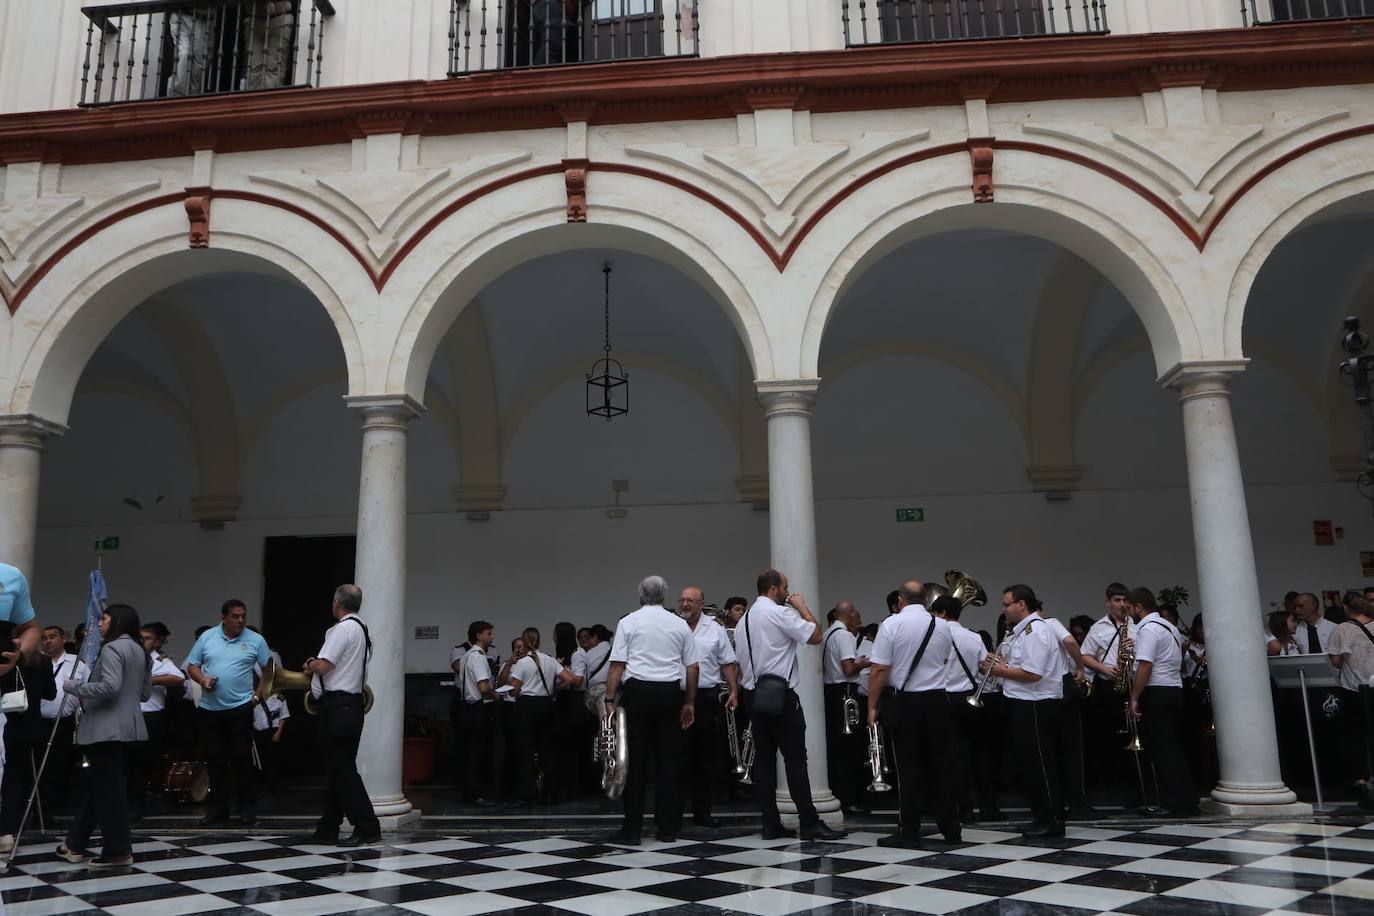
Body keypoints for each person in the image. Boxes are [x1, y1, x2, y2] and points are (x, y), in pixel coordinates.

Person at [736, 569, 846, 841]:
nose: (788, 592)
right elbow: (816, 635)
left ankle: (770, 823)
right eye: (785, 587)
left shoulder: (743, 620)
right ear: (773, 589)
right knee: (796, 759)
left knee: (763, 762)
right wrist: (803, 608)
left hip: (753, 694)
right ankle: (809, 822)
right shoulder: (779, 613)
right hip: (780, 697)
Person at [602, 575, 697, 844]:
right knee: (668, 762)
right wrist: (689, 702)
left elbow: (617, 665)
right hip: (669, 693)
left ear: (641, 595)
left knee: (634, 762)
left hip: (638, 693)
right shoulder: (679, 624)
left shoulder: (629, 622)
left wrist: (610, 700)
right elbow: (692, 667)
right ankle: (667, 829)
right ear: (665, 596)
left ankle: (631, 830)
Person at [55, 603, 151, 868]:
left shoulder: (112, 649)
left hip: (105, 729)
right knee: (102, 788)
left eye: (104, 619)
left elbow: (110, 686)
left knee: (109, 793)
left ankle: (118, 851)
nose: (99, 624)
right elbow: (144, 693)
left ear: (117, 621)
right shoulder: (140, 651)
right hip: (130, 728)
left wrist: (75, 686)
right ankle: (74, 844)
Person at [866, 581, 957, 847]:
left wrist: (872, 706)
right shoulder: (941, 625)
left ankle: (909, 830)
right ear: (926, 600)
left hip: (906, 702)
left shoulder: (891, 624)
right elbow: (944, 660)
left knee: (908, 768)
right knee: (941, 766)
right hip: (938, 700)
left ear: (900, 600)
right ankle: (950, 828)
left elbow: (879, 669)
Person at [984, 584, 1065, 838]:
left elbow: (1032, 673)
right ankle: (1041, 815)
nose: (1004, 609)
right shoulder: (1023, 632)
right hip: (1024, 704)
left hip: (1035, 705)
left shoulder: (1034, 631)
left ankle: (1051, 820)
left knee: (1040, 764)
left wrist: (999, 671)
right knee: (1030, 766)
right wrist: (1003, 665)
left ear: (1022, 604)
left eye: (1007, 604)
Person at [184, 599, 272, 827]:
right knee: (215, 761)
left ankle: (247, 809)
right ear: (223, 617)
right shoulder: (208, 637)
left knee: (242, 760)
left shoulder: (255, 640)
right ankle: (218, 810)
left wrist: (256, 696)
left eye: (243, 615)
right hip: (210, 709)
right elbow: (192, 665)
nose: (240, 620)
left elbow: (268, 670)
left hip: (241, 708)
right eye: (235, 616)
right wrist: (203, 679)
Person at [304, 584, 379, 846]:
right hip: (351, 706)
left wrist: (310, 664)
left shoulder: (342, 629)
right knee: (339, 769)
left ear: (337, 602)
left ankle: (367, 826)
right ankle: (328, 826)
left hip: (337, 706)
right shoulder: (363, 630)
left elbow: (324, 665)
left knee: (343, 771)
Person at [1127, 587, 1198, 816]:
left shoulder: (1147, 629)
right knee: (1173, 747)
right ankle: (1186, 798)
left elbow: (1146, 665)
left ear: (1138, 607)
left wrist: (1134, 697)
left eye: (1130, 608)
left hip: (1157, 692)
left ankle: (1174, 803)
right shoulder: (1170, 627)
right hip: (1174, 689)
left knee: (1163, 750)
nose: (1129, 614)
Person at [934, 594, 997, 822]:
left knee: (950, 756)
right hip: (971, 698)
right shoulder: (973, 637)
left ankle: (963, 807)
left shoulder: (934, 637)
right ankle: (989, 806)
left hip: (945, 699)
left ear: (940, 613)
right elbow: (984, 668)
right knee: (980, 754)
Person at [679, 585, 736, 829]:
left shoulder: (715, 630)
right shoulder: (674, 627)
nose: (685, 604)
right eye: (682, 600)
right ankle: (674, 812)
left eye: (690, 600)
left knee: (704, 757)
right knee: (677, 756)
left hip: (706, 699)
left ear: (701, 604)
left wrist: (734, 689)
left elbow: (727, 662)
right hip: (678, 698)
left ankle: (702, 812)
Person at [1079, 582, 1139, 802]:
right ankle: (1109, 783)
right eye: (1117, 600)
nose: (1121, 604)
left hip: (1133, 685)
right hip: (1108, 686)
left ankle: (1134, 786)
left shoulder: (1137, 626)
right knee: (1107, 735)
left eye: (1124, 600)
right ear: (1108, 602)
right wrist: (1105, 668)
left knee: (1132, 736)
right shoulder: (1098, 628)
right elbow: (1085, 655)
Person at [0, 625, 54, 849]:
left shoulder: (5, 657)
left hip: (6, 723)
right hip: (29, 726)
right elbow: (50, 694)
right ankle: (7, 832)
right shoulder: (42, 661)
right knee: (16, 779)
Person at [508, 627, 574, 807]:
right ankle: (550, 794)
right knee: (548, 752)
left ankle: (527, 794)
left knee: (526, 752)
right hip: (546, 706)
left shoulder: (522, 663)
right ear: (538, 640)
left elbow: (514, 689)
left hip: (527, 706)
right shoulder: (550, 660)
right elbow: (569, 679)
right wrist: (553, 691)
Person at [131, 623, 184, 821]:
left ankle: (137, 805)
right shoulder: (129, 657)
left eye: (147, 638)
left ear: (157, 642)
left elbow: (178, 678)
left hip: (149, 717)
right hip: (127, 715)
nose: (142, 641)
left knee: (142, 764)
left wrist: (149, 680)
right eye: (140, 637)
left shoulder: (159, 661)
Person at [822, 600, 869, 815]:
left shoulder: (827, 634)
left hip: (830, 692)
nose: (858, 624)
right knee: (850, 749)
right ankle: (850, 798)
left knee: (836, 747)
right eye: (857, 619)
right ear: (849, 616)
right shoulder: (846, 636)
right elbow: (849, 669)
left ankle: (838, 792)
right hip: (846, 695)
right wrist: (864, 663)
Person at [1326, 594, 1374, 794]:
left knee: (1355, 735)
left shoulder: (1342, 629)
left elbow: (1335, 661)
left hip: (1354, 689)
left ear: (1346, 608)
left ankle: (1362, 779)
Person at [38, 625, 86, 807]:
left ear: (63, 638)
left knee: (61, 763)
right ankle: (42, 807)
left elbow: (85, 692)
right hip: (40, 722)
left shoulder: (77, 663)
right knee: (41, 765)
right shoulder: (36, 661)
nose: (47, 641)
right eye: (44, 638)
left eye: (52, 637)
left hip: (64, 723)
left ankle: (59, 804)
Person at [456, 620, 498, 806]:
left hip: (466, 706)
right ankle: (476, 794)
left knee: (469, 752)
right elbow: (483, 686)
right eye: (489, 633)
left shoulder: (466, 656)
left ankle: (468, 791)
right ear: (479, 635)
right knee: (477, 752)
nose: (492, 636)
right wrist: (495, 695)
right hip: (478, 708)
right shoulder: (479, 656)